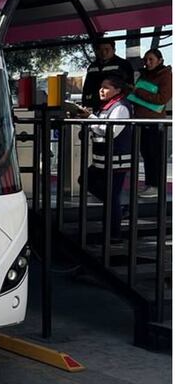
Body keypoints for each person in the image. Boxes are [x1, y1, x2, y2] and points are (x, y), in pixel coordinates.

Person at [73, 76, 132, 238]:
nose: (101, 90)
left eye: (106, 87)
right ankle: (116, 210)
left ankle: (114, 234)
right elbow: (99, 127)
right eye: (101, 86)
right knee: (87, 181)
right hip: (102, 161)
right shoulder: (106, 107)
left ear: (118, 90)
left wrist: (90, 118)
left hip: (116, 162)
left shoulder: (121, 107)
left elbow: (111, 131)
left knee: (111, 197)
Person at [128, 48, 171, 198]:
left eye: (151, 59)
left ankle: (156, 185)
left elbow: (162, 99)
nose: (147, 62)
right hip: (140, 119)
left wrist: (138, 92)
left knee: (154, 154)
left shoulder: (166, 76)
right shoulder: (144, 74)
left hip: (154, 120)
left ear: (160, 60)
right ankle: (150, 183)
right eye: (146, 60)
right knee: (146, 153)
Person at [82, 39, 134, 112]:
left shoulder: (123, 64)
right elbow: (86, 88)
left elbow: (129, 86)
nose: (103, 52)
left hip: (115, 105)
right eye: (100, 50)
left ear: (114, 50)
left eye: (107, 49)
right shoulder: (92, 66)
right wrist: (85, 104)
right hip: (94, 104)